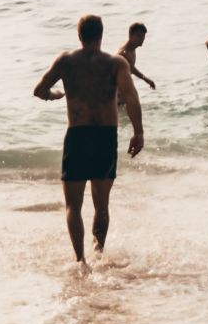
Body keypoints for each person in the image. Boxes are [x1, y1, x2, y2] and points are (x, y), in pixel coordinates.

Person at [34, 14, 145, 264]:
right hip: (105, 137)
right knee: (101, 205)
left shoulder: (66, 61)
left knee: (73, 205)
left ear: (79, 35)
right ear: (101, 35)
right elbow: (131, 97)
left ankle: (80, 260)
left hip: (77, 136)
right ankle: (98, 253)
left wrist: (54, 95)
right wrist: (138, 132)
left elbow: (38, 90)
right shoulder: (116, 63)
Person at [117, 22, 156, 91]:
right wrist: (146, 80)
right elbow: (132, 69)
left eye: (143, 36)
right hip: (115, 87)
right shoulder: (124, 53)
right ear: (131, 36)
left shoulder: (132, 48)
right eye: (139, 36)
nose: (142, 39)